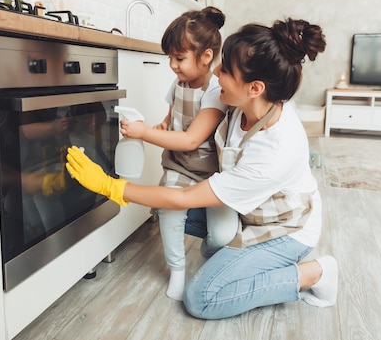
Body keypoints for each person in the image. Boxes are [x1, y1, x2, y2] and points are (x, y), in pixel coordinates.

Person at [66, 17, 339, 319]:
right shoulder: (236, 103)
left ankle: (315, 273)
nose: (216, 74)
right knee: (162, 207)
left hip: (284, 229)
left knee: (201, 299)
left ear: (255, 87)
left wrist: (110, 186)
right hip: (248, 211)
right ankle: (240, 261)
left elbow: (184, 197)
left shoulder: (275, 149)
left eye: (225, 70)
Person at [120, 6, 238, 301]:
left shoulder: (215, 91)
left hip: (213, 174)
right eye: (170, 57)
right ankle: (177, 269)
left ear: (206, 56)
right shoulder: (179, 82)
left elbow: (190, 139)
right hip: (179, 166)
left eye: (179, 58)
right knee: (169, 214)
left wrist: (144, 132)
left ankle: (208, 255)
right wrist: (162, 123)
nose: (172, 65)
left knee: (223, 235)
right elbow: (174, 117)